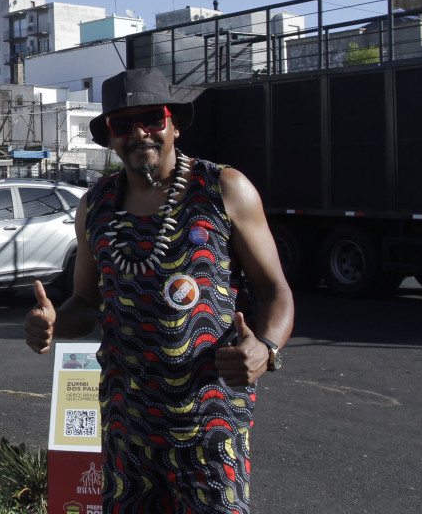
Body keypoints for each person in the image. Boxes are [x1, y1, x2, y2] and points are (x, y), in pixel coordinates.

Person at [25, 68, 294, 513]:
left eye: (152, 117)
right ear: (109, 136)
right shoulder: (96, 205)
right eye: (122, 124)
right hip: (127, 429)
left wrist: (265, 349)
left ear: (174, 123)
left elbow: (274, 290)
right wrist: (52, 324)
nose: (139, 133)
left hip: (209, 422)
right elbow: (86, 303)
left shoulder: (223, 189)